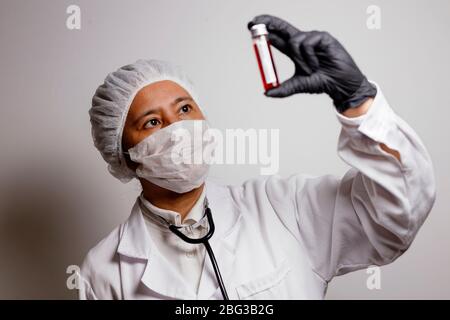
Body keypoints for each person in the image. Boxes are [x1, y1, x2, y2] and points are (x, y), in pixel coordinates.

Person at [79, 15, 436, 300]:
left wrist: (358, 100)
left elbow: (393, 220)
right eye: (153, 122)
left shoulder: (283, 207)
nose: (178, 128)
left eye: (185, 108)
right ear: (123, 152)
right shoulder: (104, 270)